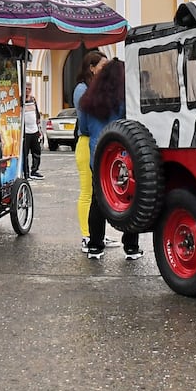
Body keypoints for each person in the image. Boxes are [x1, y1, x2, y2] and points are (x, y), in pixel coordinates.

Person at [78, 57, 141, 260]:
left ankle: (96, 245)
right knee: (130, 199)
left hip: (97, 154)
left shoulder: (88, 98)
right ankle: (130, 247)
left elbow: (84, 129)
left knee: (98, 199)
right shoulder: (124, 100)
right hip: (122, 155)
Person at [73, 50, 111, 251]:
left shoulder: (98, 88)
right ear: (92, 68)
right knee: (88, 192)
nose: (106, 71)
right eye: (103, 67)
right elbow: (85, 119)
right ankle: (87, 235)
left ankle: (98, 234)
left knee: (100, 193)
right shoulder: (82, 89)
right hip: (87, 142)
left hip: (98, 142)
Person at [22, 84, 44, 180]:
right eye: (26, 89)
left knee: (36, 152)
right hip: (25, 132)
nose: (27, 90)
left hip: (34, 130)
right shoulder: (20, 100)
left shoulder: (33, 100)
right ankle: (26, 173)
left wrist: (39, 127)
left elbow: (37, 113)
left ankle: (34, 171)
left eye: (29, 89)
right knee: (25, 153)